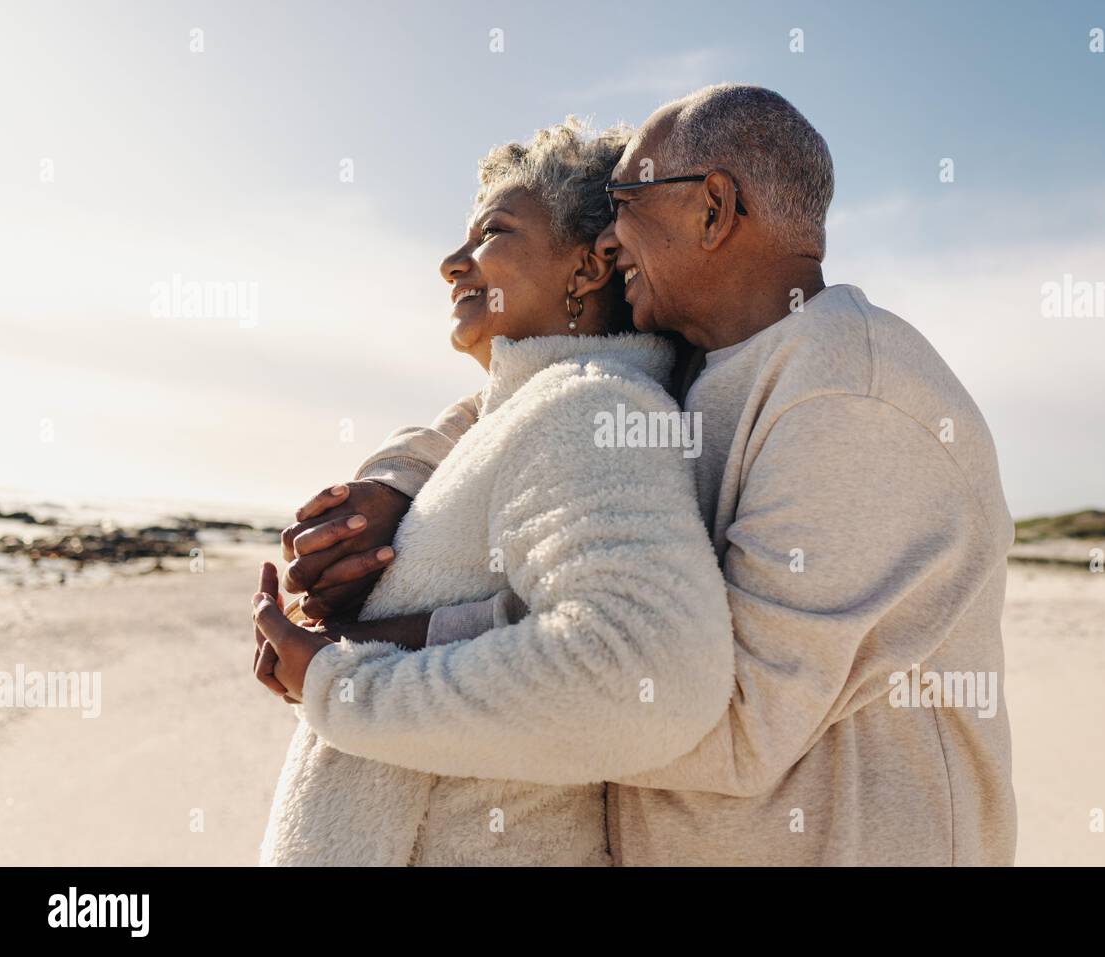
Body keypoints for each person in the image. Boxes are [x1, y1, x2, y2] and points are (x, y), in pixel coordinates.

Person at [279, 85, 1018, 866]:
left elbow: (717, 716)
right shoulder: (704, 365)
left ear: (713, 208)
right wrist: (395, 482)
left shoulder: (846, 393)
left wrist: (369, 656)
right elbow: (522, 405)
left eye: (626, 199)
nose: (611, 233)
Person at [253, 117, 734, 866]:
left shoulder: (591, 408)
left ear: (589, 267)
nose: (451, 263)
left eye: (490, 234)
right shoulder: (522, 416)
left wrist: (336, 680)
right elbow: (521, 614)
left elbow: (649, 672)